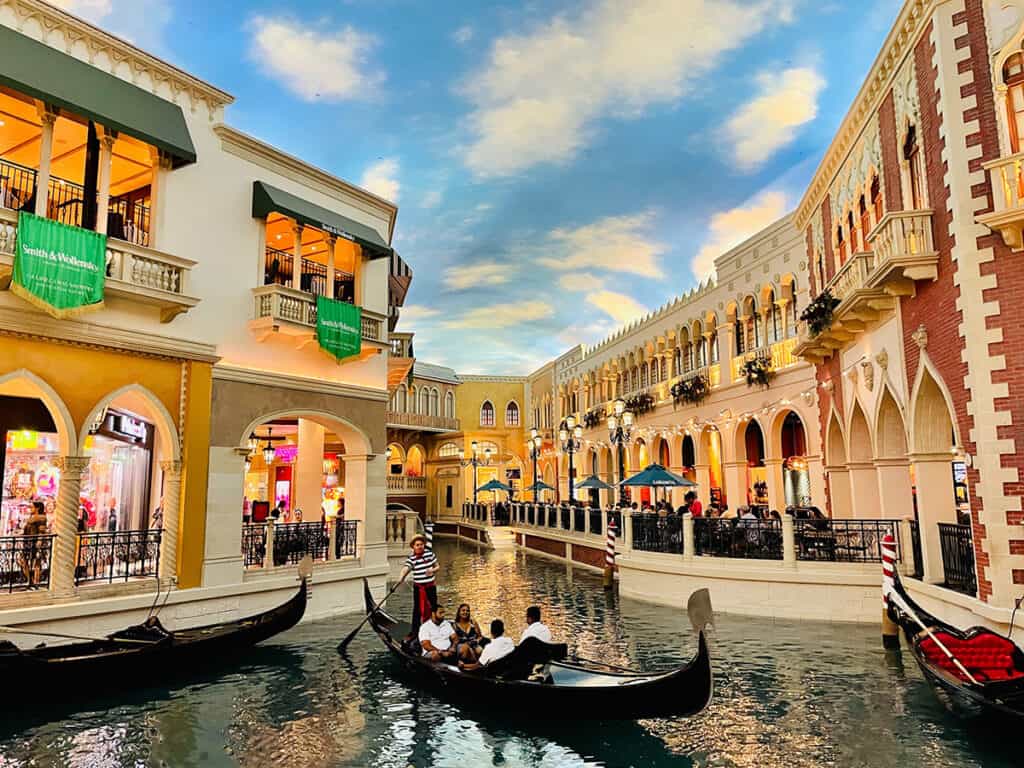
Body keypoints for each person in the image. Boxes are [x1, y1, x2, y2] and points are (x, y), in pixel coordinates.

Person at [399, 534, 439, 635]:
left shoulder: (430, 554)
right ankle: (415, 631)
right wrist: (401, 578)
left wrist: (432, 570)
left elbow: (437, 566)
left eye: (421, 544)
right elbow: (406, 569)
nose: (420, 546)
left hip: (430, 587)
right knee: (417, 610)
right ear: (413, 546)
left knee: (433, 607)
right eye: (417, 545)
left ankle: (434, 629)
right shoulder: (412, 558)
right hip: (419, 588)